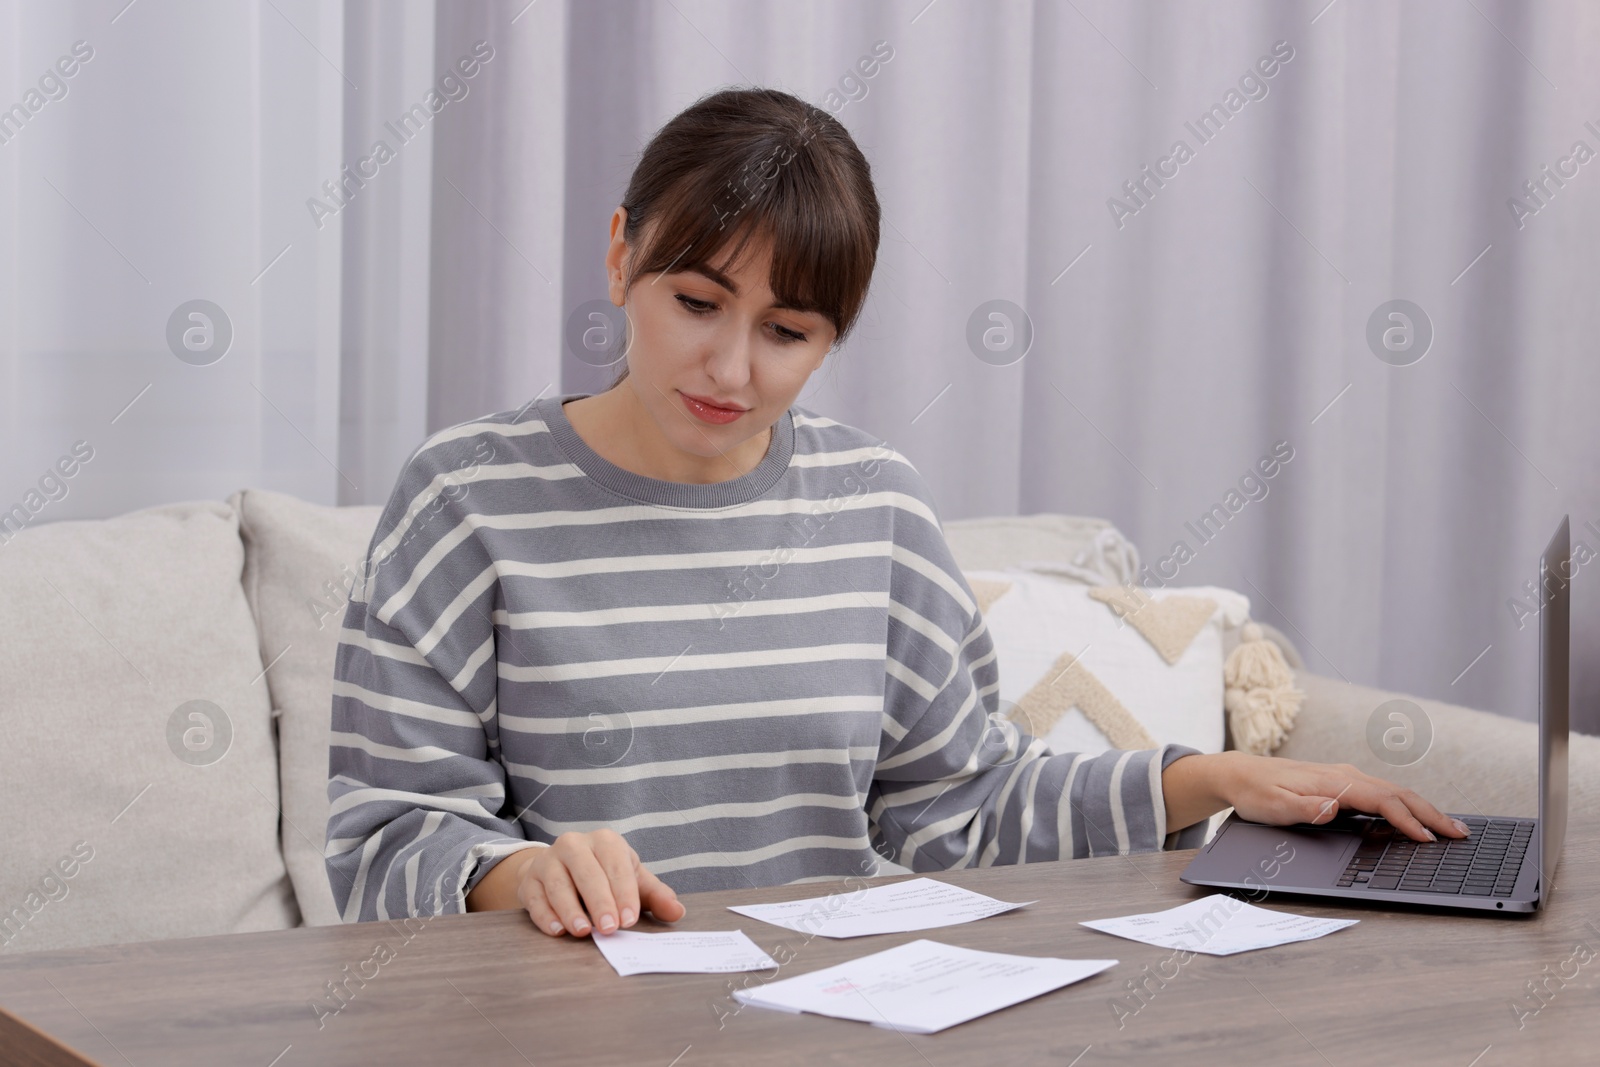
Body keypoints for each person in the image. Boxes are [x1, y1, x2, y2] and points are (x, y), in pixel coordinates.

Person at [325, 86, 1467, 938]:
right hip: (574, 1013)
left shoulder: (872, 502)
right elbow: (384, 836)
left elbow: (957, 808)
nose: (729, 366)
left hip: (848, 1005)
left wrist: (1212, 781)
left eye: (787, 331)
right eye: (696, 301)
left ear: (832, 336)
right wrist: (522, 874)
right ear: (622, 254)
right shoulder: (467, 497)